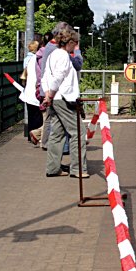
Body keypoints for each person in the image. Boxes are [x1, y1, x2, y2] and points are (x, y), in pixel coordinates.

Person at [40, 27, 88, 178]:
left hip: (56, 98)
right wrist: (50, 95)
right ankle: (78, 169)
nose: (76, 46)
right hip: (64, 98)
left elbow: (46, 76)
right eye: (76, 43)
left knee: (57, 133)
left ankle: (53, 168)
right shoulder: (63, 56)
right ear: (71, 42)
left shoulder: (53, 55)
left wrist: (48, 93)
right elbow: (58, 77)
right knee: (78, 132)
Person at [21, 40, 43, 144]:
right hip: (36, 93)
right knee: (38, 116)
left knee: (31, 115)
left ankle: (31, 136)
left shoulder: (28, 60)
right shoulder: (38, 60)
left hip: (28, 92)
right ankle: (37, 137)